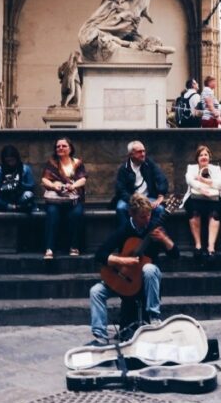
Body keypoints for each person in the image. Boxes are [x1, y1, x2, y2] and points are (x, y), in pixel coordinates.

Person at [88, 194, 174, 346]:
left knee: (149, 268)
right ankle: (100, 337)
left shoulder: (155, 227)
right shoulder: (124, 230)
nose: (147, 220)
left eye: (149, 215)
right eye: (142, 217)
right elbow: (100, 254)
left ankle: (154, 318)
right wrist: (123, 260)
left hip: (146, 281)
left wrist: (164, 239)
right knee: (96, 291)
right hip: (125, 278)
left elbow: (175, 254)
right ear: (131, 214)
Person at [41, 138, 87, 259]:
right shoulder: (52, 163)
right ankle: (49, 248)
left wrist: (72, 186)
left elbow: (83, 179)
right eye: (58, 146)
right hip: (55, 199)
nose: (60, 148)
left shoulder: (77, 163)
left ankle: (74, 246)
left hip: (74, 198)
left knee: (77, 214)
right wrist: (54, 186)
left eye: (64, 146)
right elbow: (44, 179)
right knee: (52, 213)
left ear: (70, 148)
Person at [181, 145, 221, 262]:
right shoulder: (191, 168)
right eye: (201, 155)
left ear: (209, 157)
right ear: (197, 158)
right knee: (194, 211)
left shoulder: (215, 169)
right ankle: (198, 245)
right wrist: (202, 189)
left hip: (214, 198)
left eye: (206, 155)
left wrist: (204, 180)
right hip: (195, 197)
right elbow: (189, 180)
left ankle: (211, 247)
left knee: (214, 213)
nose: (203, 157)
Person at [113, 141, 168, 228]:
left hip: (148, 198)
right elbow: (120, 190)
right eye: (139, 152)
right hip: (130, 199)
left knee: (160, 210)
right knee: (121, 208)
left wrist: (161, 195)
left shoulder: (149, 164)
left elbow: (162, 178)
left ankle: (154, 236)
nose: (143, 154)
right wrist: (135, 201)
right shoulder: (124, 169)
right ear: (131, 154)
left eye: (144, 151)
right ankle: (126, 237)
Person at [0, 145, 36, 214]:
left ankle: (7, 207)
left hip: (19, 197)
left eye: (12, 160)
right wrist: (4, 185)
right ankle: (14, 207)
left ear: (16, 158)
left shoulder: (25, 169)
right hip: (4, 199)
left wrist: (19, 184)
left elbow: (31, 186)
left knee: (29, 195)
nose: (10, 163)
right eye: (8, 161)